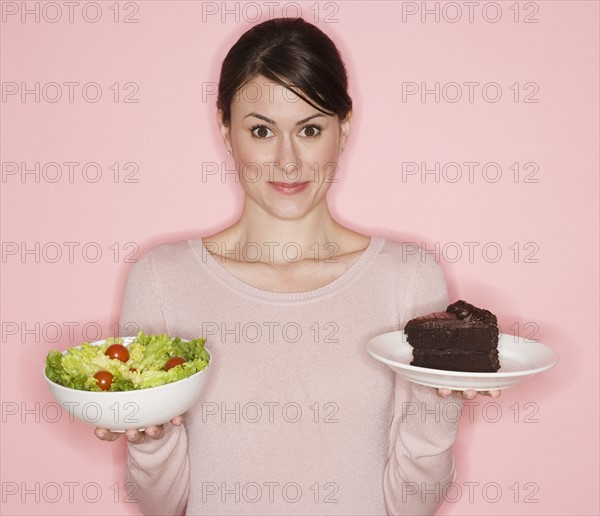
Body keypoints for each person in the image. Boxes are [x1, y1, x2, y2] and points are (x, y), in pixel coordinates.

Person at [95, 17, 500, 515]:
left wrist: (441, 405)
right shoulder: (162, 280)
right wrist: (147, 440)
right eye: (261, 130)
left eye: (310, 129)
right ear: (226, 132)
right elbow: (163, 506)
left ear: (343, 130)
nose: (288, 162)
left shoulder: (407, 276)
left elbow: (411, 506)